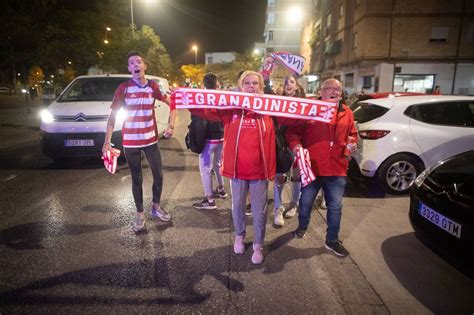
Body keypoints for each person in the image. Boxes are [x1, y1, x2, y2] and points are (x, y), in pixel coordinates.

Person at [190, 70, 276, 264]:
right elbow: (207, 111)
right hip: (237, 170)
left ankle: (257, 244)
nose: (251, 86)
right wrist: (188, 100)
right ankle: (239, 235)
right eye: (247, 83)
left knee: (259, 210)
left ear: (261, 87)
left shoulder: (269, 110)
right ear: (240, 85)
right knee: (237, 206)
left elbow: (293, 117)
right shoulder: (231, 109)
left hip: (260, 171)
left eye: (255, 83)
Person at [102, 50, 176, 232]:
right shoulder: (123, 88)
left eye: (139, 62)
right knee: (137, 179)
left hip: (150, 140)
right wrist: (106, 142)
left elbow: (172, 103)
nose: (136, 65)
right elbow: (112, 118)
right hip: (130, 143)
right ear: (129, 68)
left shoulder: (153, 87)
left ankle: (156, 207)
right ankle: (140, 214)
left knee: (158, 175)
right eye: (132, 63)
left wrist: (171, 125)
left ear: (145, 66)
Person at [286, 78, 358, 257]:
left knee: (335, 207)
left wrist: (352, 144)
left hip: (337, 169)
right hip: (313, 167)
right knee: (305, 203)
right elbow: (292, 132)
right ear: (321, 91)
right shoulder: (309, 109)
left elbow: (352, 134)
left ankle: (332, 241)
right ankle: (302, 227)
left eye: (338, 89)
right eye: (329, 88)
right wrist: (296, 147)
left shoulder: (347, 112)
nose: (334, 92)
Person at [192, 73, 228, 210]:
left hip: (207, 139)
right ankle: (221, 189)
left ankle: (210, 200)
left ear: (204, 84)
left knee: (205, 169)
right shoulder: (221, 97)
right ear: (216, 83)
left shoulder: (201, 98)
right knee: (218, 164)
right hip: (221, 137)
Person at [273, 75, 304, 227]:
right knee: (279, 178)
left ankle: (294, 204)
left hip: (298, 145)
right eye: (286, 82)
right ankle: (278, 209)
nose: (288, 84)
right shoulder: (277, 103)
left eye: (291, 81)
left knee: (297, 177)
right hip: (281, 146)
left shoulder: (305, 104)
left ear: (297, 86)